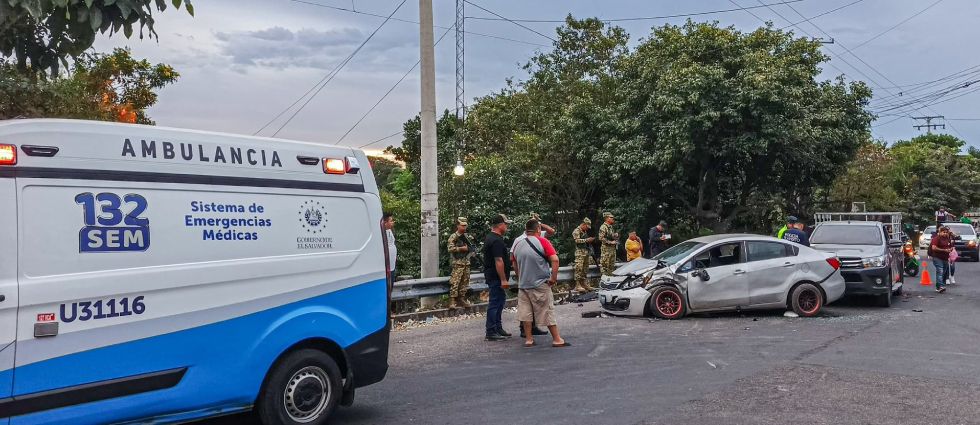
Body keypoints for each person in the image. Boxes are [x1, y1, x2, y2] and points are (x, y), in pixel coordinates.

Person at [511, 219, 569, 348]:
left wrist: (521, 276)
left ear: (526, 230)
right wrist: (553, 278)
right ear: (538, 229)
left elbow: (514, 262)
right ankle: (557, 339)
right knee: (547, 310)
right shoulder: (542, 241)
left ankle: (529, 339)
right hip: (540, 283)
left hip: (523, 284)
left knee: (525, 312)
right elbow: (555, 259)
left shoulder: (517, 244)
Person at [510, 220, 551, 338]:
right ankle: (524, 330)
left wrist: (540, 224)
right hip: (527, 278)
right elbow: (513, 259)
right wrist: (520, 276)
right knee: (528, 308)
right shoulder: (518, 240)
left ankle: (533, 329)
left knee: (530, 307)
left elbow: (551, 231)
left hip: (534, 278)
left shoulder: (539, 237)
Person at [482, 214, 513, 341]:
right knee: (495, 302)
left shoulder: (492, 238)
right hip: (496, 277)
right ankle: (491, 330)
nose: (507, 226)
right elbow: (498, 260)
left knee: (500, 301)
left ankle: (498, 327)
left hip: (494, 276)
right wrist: (503, 279)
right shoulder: (496, 240)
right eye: (506, 224)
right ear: (500, 225)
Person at [446, 217, 475, 309]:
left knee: (465, 282)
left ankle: (462, 299)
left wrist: (471, 251)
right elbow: (450, 248)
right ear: (458, 225)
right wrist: (460, 249)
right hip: (457, 263)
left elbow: (473, 248)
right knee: (455, 282)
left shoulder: (468, 237)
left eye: (465, 225)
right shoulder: (453, 236)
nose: (464, 227)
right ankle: (452, 301)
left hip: (466, 262)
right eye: (462, 225)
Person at [571, 218, 596, 293]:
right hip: (580, 253)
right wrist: (586, 240)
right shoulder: (576, 231)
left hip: (586, 252)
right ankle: (577, 285)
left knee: (585, 268)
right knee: (579, 268)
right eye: (587, 226)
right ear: (583, 224)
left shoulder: (584, 231)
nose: (587, 228)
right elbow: (576, 240)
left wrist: (590, 240)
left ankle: (584, 283)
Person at [929, 226, 953, 294]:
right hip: (937, 257)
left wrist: (950, 249)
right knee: (940, 271)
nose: (945, 233)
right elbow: (934, 248)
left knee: (943, 272)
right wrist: (944, 250)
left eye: (946, 232)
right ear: (940, 232)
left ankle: (938, 287)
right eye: (943, 232)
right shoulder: (936, 238)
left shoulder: (947, 239)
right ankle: (941, 287)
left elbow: (951, 246)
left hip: (945, 258)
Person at [382, 212, 396, 277]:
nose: (393, 222)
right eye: (391, 221)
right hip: (387, 265)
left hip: (392, 263)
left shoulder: (390, 230)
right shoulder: (382, 234)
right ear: (385, 223)